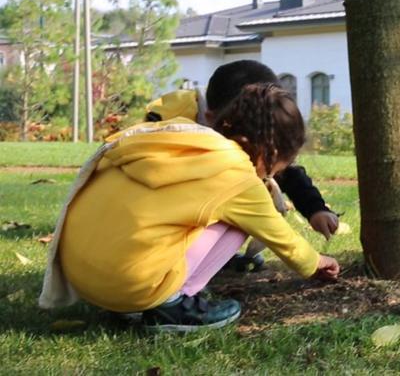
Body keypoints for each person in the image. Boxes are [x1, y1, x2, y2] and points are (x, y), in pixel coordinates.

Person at [39, 83, 340, 332]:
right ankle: (174, 304)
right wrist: (316, 262)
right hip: (130, 285)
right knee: (239, 221)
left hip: (84, 279)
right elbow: (283, 240)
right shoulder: (236, 176)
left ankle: (137, 304)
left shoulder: (178, 138)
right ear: (269, 150)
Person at [146, 60, 339, 272]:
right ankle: (183, 270)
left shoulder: (234, 127)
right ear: (213, 119)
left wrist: (315, 209)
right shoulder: (170, 126)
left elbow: (284, 169)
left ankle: (210, 261)